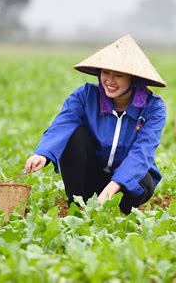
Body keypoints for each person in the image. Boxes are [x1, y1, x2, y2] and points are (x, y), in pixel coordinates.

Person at [25, 35, 167, 214]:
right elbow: (62, 125)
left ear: (134, 79)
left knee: (143, 179)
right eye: (105, 73)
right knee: (74, 136)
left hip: (124, 185)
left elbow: (143, 152)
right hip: (92, 177)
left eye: (118, 75)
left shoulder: (153, 108)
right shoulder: (85, 96)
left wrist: (111, 190)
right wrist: (43, 154)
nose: (109, 81)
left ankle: (120, 211)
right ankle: (77, 205)